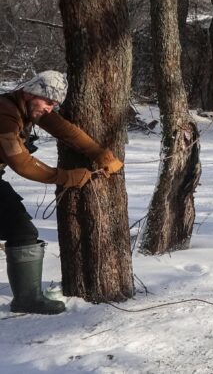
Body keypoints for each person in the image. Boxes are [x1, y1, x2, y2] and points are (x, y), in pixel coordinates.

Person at [0, 70, 123, 314]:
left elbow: (65, 129)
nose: (49, 109)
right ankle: (27, 300)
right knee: (22, 231)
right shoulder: (5, 114)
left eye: (54, 104)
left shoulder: (29, 106)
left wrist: (98, 153)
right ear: (29, 92)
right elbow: (21, 163)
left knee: (20, 230)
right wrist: (66, 177)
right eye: (47, 102)